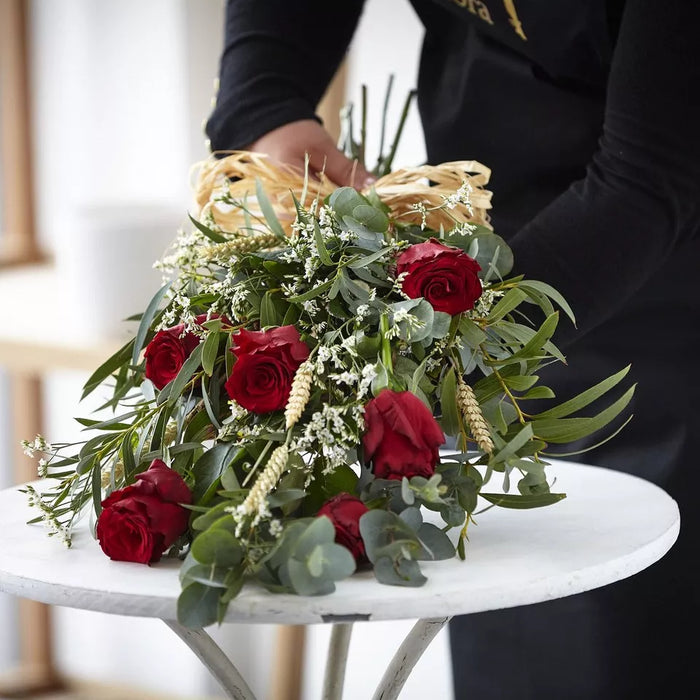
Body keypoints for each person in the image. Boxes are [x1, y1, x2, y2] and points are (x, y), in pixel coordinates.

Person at [205, 1, 700, 697]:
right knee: (505, 619)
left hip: (658, 285)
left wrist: (425, 350)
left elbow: (652, 178)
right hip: (483, 242)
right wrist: (262, 107)